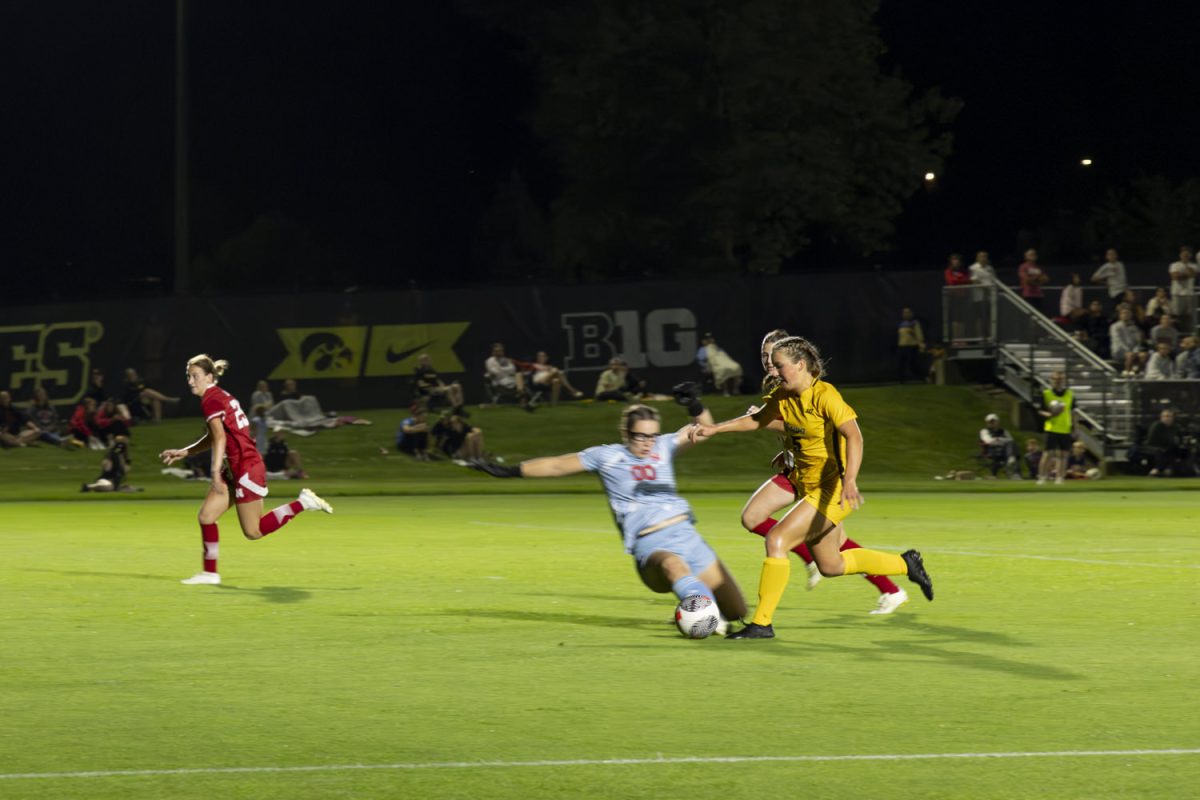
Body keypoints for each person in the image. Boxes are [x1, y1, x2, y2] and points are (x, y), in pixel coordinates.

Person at [689, 336, 934, 639]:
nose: (774, 371)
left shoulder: (825, 396)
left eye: (779, 365)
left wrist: (851, 479)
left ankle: (762, 624)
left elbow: (853, 436)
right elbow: (757, 420)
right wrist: (715, 428)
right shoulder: (783, 395)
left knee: (777, 539)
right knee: (831, 565)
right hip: (807, 486)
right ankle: (905, 564)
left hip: (832, 488)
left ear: (800, 364)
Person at [467, 400, 750, 632]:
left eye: (652, 435)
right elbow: (556, 465)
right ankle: (699, 615)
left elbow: (704, 429)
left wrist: (693, 402)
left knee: (738, 611)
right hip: (652, 544)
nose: (648, 442)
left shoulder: (664, 446)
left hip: (689, 537)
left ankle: (700, 609)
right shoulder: (606, 457)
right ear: (626, 434)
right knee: (674, 565)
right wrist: (510, 470)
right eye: (640, 435)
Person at [735, 330, 909, 615]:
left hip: (824, 474)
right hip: (795, 470)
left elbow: (813, 428)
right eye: (764, 356)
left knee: (835, 548)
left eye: (772, 356)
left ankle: (891, 588)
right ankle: (812, 559)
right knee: (752, 517)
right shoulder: (774, 384)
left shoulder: (808, 387)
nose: (768, 361)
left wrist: (763, 421)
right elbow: (796, 430)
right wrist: (787, 449)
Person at [159, 354, 333, 585]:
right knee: (207, 517)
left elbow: (219, 437)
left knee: (253, 531)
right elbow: (214, 435)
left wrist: (213, 473)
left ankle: (303, 503)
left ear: (209, 377)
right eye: (188, 376)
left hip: (246, 468)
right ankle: (210, 573)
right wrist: (186, 451)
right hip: (236, 465)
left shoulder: (210, 400)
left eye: (195, 376)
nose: (190, 381)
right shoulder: (218, 396)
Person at [1037, 371, 1074, 486]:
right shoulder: (1046, 394)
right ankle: (1042, 477)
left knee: (1063, 454)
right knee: (1048, 454)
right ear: (1052, 381)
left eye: (1060, 380)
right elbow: (1040, 410)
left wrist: (1075, 427)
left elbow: (1073, 412)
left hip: (1065, 428)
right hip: (1052, 427)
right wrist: (1048, 414)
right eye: (1056, 380)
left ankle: (1059, 477)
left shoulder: (1070, 394)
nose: (1058, 382)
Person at [1143, 409, 1193, 477]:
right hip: (1154, 447)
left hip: (1170, 447)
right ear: (1161, 417)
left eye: (1169, 416)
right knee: (1162, 453)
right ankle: (1155, 471)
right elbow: (1151, 441)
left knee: (1185, 451)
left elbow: (1180, 439)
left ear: (1172, 418)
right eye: (1165, 416)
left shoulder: (1176, 427)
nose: (1167, 418)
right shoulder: (1157, 426)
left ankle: (1188, 470)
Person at [484, 343, 534, 411]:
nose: (499, 352)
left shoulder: (506, 359)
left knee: (518, 376)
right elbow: (496, 373)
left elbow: (513, 369)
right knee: (521, 383)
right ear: (493, 352)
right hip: (499, 384)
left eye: (501, 350)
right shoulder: (489, 361)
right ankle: (523, 401)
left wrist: (500, 368)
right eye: (497, 351)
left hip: (509, 381)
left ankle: (522, 399)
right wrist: (506, 370)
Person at [1110, 306, 1148, 377]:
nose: (1125, 315)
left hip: (1133, 351)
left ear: (1130, 315)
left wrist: (1135, 350)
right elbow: (1118, 340)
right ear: (1120, 315)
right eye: (1123, 313)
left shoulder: (1134, 327)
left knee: (1143, 355)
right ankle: (1127, 373)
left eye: (1127, 313)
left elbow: (1138, 342)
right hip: (1119, 351)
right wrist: (1128, 351)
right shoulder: (1114, 326)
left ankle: (1139, 373)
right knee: (1130, 355)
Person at [980, 413, 1020, 479]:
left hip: (1004, 451)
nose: (992, 423)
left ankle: (1012, 465)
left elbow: (1011, 441)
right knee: (1011, 446)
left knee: (1011, 444)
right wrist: (1000, 440)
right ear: (987, 422)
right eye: (990, 422)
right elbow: (988, 441)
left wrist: (999, 439)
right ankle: (1013, 467)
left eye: (993, 421)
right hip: (992, 450)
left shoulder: (1004, 431)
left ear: (997, 422)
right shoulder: (984, 431)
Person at [1168, 246, 1197, 333]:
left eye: (1187, 254)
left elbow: (1193, 274)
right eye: (1183, 254)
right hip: (1177, 293)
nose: (1185, 256)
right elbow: (1174, 277)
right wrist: (1186, 274)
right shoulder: (1174, 265)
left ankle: (1188, 334)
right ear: (1180, 255)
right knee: (1176, 315)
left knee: (1189, 316)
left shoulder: (1194, 265)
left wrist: (1183, 272)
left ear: (1190, 255)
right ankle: (1176, 333)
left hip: (1189, 294)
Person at [896, 307, 925, 383]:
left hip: (911, 346)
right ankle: (901, 381)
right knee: (900, 364)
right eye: (904, 312)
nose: (905, 314)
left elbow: (919, 335)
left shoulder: (914, 323)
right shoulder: (901, 324)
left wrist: (921, 345)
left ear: (911, 313)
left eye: (907, 312)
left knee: (913, 364)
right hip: (902, 346)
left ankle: (923, 378)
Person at [1018, 248, 1048, 313]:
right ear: (1026, 257)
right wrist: (1037, 278)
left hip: (1038, 295)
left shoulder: (1038, 267)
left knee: (1039, 315)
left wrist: (1035, 279)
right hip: (1028, 295)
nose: (1033, 255)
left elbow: (1045, 279)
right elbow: (1026, 280)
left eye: (1034, 254)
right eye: (1031, 254)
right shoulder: (1023, 266)